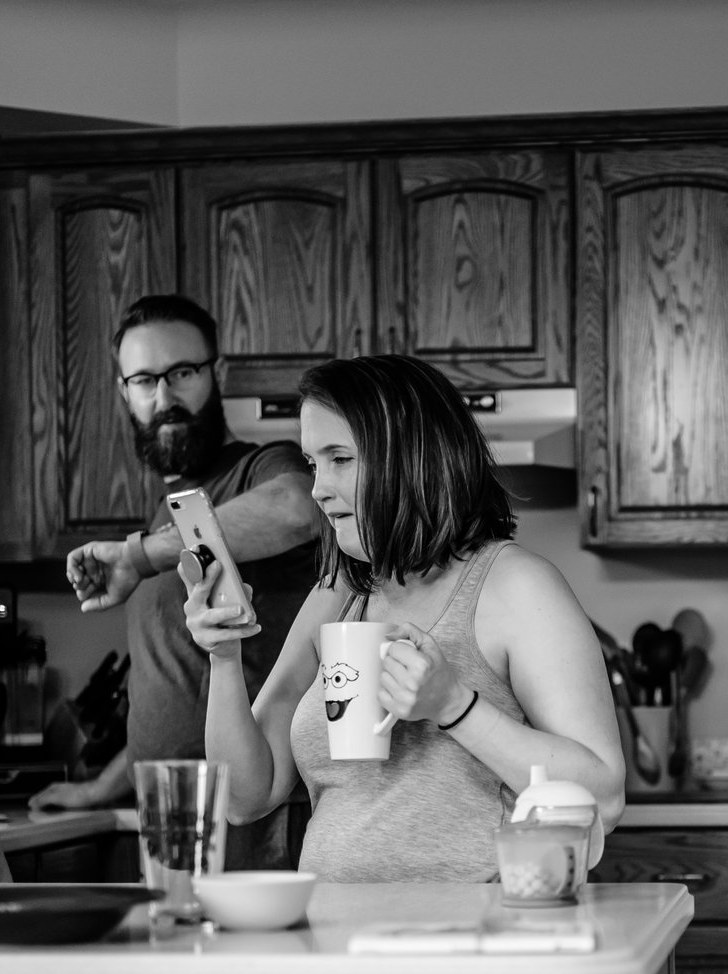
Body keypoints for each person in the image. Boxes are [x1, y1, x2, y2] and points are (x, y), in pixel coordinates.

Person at [184, 354, 624, 881]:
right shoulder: (337, 592)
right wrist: (224, 658)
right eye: (312, 463)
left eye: (340, 459)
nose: (318, 488)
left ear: (411, 459)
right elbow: (245, 798)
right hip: (334, 943)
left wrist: (455, 706)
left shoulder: (515, 585)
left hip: (472, 944)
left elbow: (603, 797)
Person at [30, 295, 325, 866]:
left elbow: (297, 507)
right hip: (170, 813)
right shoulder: (167, 515)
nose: (164, 397)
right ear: (125, 392)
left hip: (253, 811)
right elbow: (172, 689)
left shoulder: (262, 468)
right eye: (144, 380)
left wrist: (141, 555)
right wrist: (101, 787)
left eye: (182, 373)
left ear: (218, 374)